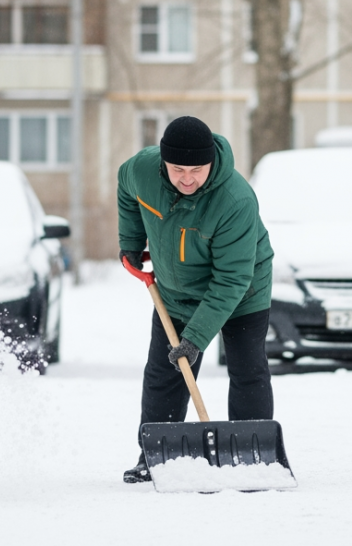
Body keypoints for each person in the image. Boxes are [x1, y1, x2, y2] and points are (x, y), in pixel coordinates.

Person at [116, 116, 276, 483]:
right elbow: (126, 190)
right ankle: (155, 456)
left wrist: (195, 339)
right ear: (163, 163)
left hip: (241, 290)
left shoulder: (236, 200)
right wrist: (131, 241)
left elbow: (232, 278)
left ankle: (253, 457)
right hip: (175, 291)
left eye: (196, 171)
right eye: (177, 170)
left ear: (211, 163)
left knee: (247, 368)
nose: (187, 179)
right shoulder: (141, 171)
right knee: (164, 373)